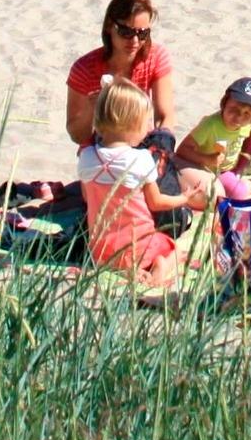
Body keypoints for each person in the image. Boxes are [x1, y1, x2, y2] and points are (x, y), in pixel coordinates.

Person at [77, 79, 192, 288]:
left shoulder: (86, 157)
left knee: (117, 257)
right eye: (146, 122)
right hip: (139, 246)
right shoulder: (140, 159)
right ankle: (161, 266)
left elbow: (87, 197)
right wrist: (184, 198)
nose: (148, 129)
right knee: (174, 249)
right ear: (131, 123)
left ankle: (126, 269)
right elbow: (157, 202)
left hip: (100, 251)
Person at [65, 0, 177, 148]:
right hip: (101, 149)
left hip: (144, 144)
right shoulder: (84, 68)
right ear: (109, 26)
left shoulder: (155, 57)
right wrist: (93, 107)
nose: (135, 41)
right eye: (126, 32)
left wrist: (161, 147)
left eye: (143, 33)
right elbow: (78, 136)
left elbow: (165, 117)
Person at [174, 76, 251, 205]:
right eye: (234, 109)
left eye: (247, 114)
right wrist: (207, 159)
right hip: (214, 171)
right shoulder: (210, 125)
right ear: (224, 103)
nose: (239, 117)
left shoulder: (245, 124)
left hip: (235, 165)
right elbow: (182, 150)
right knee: (236, 194)